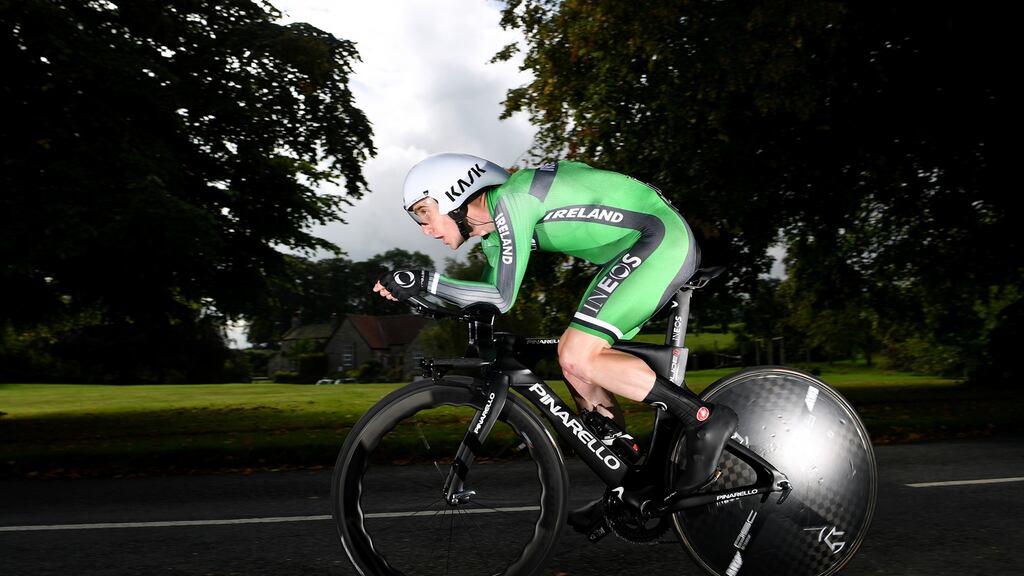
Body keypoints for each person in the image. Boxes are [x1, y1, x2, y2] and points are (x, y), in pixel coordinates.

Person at [372, 153, 737, 529]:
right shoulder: (495, 235)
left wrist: (427, 282)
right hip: (635, 249)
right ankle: (628, 487)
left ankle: (704, 419)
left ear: (454, 193)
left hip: (659, 240)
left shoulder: (513, 200)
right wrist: (423, 298)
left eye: (423, 212)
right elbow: (484, 301)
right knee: (572, 360)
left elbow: (500, 296)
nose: (424, 228)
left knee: (580, 353)